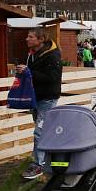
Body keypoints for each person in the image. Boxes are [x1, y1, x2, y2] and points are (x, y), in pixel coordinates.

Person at [19, 28, 62, 180]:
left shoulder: (52, 56)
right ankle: (51, 159)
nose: (27, 39)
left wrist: (29, 72)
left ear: (40, 39)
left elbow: (52, 78)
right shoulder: (32, 55)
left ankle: (39, 164)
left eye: (30, 37)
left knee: (40, 131)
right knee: (44, 130)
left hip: (48, 98)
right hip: (36, 97)